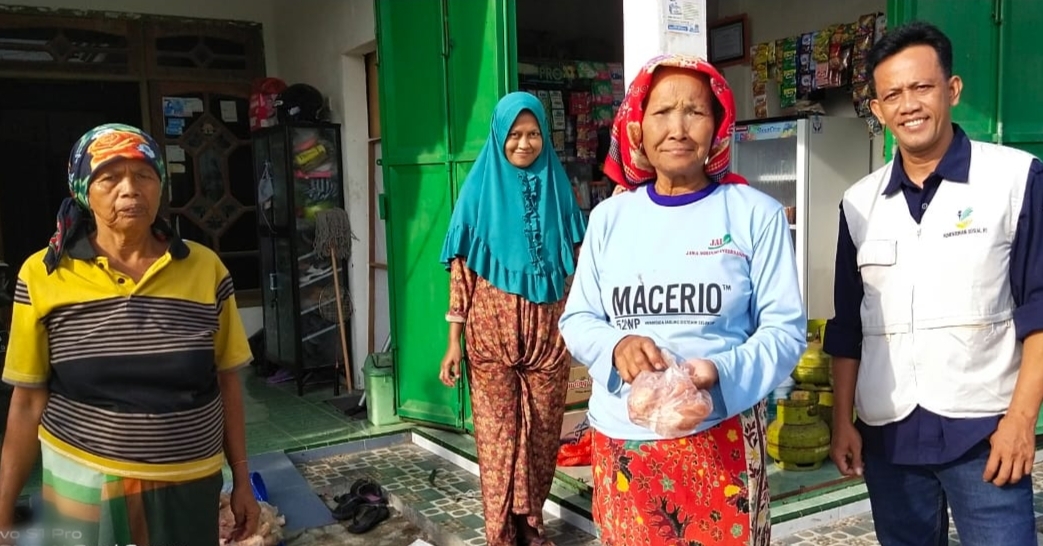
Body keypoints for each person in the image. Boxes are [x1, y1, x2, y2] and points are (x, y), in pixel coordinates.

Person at [558, 54, 807, 546]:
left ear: (716, 128)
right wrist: (616, 346)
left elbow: (785, 331)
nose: (678, 128)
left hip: (722, 436)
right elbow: (578, 317)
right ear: (637, 128)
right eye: (662, 112)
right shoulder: (610, 218)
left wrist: (721, 372)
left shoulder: (755, 214)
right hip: (626, 441)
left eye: (694, 111)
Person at [826, 21, 1043, 546]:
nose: (909, 105)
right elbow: (847, 325)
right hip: (890, 439)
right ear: (877, 110)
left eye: (922, 87)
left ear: (952, 89)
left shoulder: (1015, 181)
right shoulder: (859, 203)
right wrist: (842, 420)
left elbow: (1039, 308)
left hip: (984, 435)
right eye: (892, 94)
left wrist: (1021, 422)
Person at [0, 124, 259, 545]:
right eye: (110, 177)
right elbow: (27, 401)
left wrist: (242, 481)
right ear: (85, 190)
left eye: (143, 175)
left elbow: (227, 380)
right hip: (81, 482)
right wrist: (3, 510)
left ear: (160, 185)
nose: (130, 189)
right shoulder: (44, 273)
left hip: (189, 484)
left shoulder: (205, 268)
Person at [438, 92, 587, 546]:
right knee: (499, 439)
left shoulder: (560, 188)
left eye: (534, 134)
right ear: (499, 137)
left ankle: (531, 521)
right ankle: (499, 532)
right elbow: (461, 275)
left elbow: (580, 265)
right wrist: (453, 342)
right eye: (515, 135)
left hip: (549, 341)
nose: (524, 144)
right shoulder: (478, 190)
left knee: (542, 438)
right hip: (491, 338)